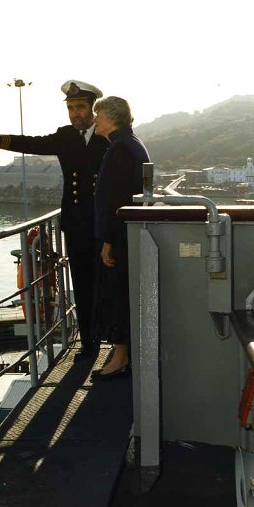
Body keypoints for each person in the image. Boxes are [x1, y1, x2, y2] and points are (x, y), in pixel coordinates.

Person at [0, 80, 109, 360]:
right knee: (82, 282)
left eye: (80, 107)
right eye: (70, 108)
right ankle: (90, 341)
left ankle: (115, 339)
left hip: (106, 221)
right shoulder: (65, 136)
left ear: (92, 108)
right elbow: (31, 143)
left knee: (110, 280)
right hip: (78, 221)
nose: (75, 113)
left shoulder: (108, 135)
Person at [89, 96, 150, 381]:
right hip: (126, 233)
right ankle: (121, 354)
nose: (94, 119)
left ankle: (121, 358)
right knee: (122, 294)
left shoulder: (120, 149)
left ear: (111, 116)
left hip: (120, 236)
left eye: (97, 113)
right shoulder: (128, 143)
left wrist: (108, 241)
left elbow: (118, 200)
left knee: (117, 296)